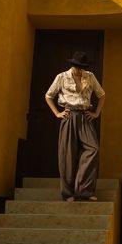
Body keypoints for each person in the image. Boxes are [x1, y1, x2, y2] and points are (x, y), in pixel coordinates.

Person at [45, 51, 106, 202]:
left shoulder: (90, 76)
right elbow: (48, 96)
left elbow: (102, 95)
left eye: (82, 67)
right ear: (72, 64)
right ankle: (68, 193)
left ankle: (84, 190)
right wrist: (57, 113)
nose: (79, 69)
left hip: (85, 116)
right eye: (77, 66)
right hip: (69, 115)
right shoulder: (61, 77)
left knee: (93, 149)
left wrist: (96, 113)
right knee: (67, 154)